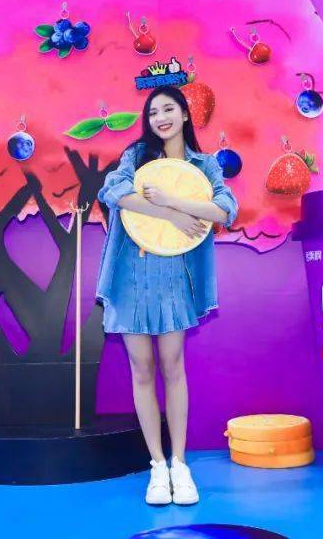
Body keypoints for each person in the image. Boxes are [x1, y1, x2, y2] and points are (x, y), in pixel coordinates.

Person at [95, 86, 238, 506]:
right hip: (131, 275)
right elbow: (114, 193)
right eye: (154, 111)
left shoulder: (204, 165)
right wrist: (169, 214)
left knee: (173, 365)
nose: (161, 117)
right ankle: (157, 466)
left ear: (185, 114)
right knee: (141, 368)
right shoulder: (136, 156)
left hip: (174, 276)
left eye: (169, 109)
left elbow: (224, 209)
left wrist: (176, 201)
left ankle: (180, 463)